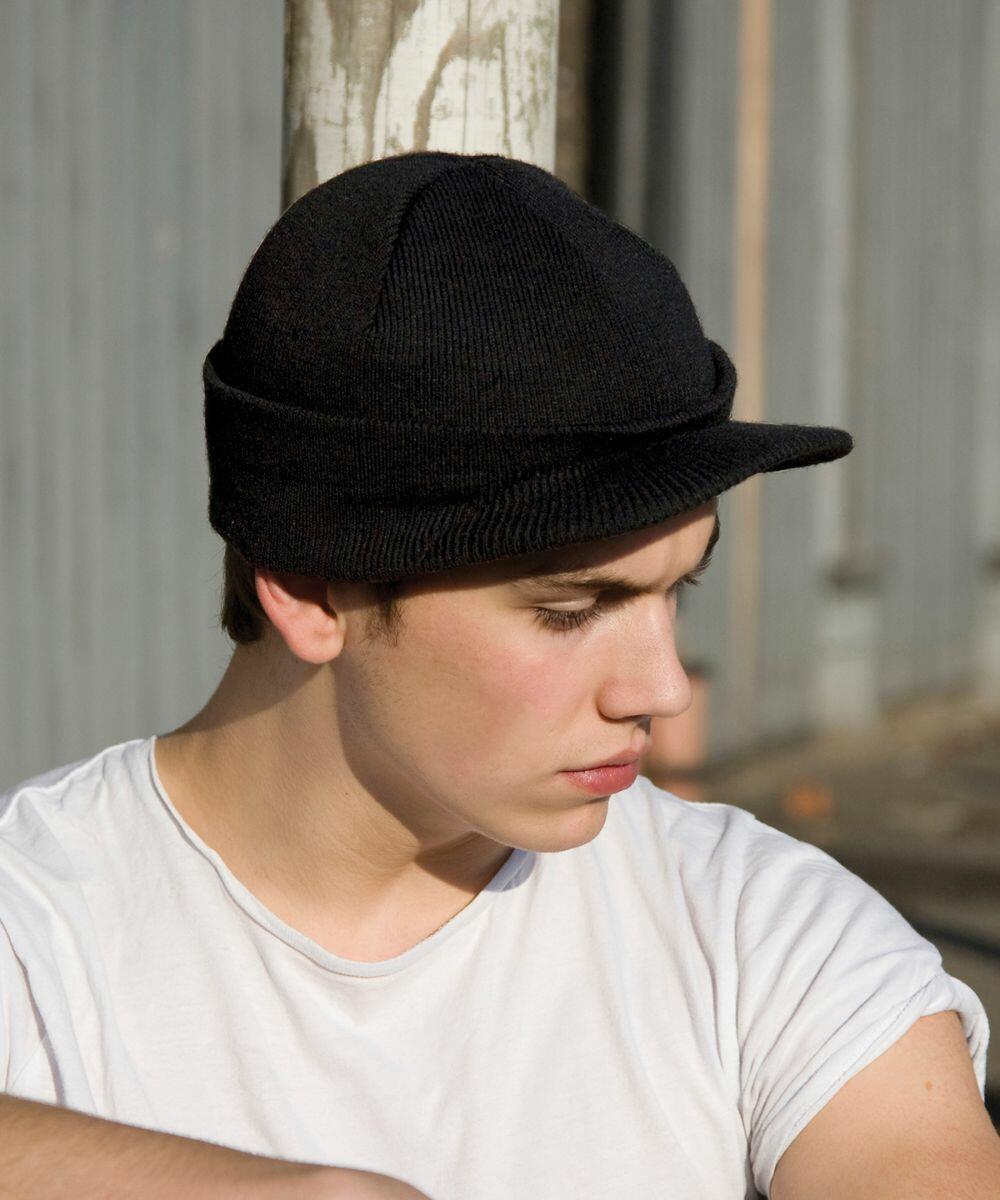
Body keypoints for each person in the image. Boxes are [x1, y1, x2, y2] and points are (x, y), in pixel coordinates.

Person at [0, 151, 994, 1200]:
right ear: (308, 588)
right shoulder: (36, 940)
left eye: (674, 592)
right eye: (572, 609)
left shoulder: (758, 932)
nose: (660, 687)